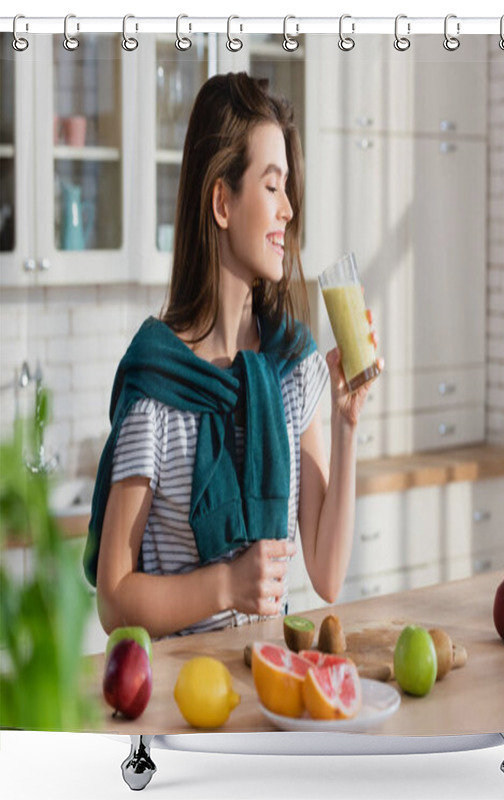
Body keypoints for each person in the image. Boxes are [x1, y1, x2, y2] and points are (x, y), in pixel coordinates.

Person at [84, 72, 381, 639]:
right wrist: (226, 584)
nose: (288, 210)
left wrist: (347, 423)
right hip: (185, 703)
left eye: (287, 189)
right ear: (222, 201)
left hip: (273, 688)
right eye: (272, 188)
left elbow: (327, 573)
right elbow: (113, 598)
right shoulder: (157, 390)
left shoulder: (292, 367)